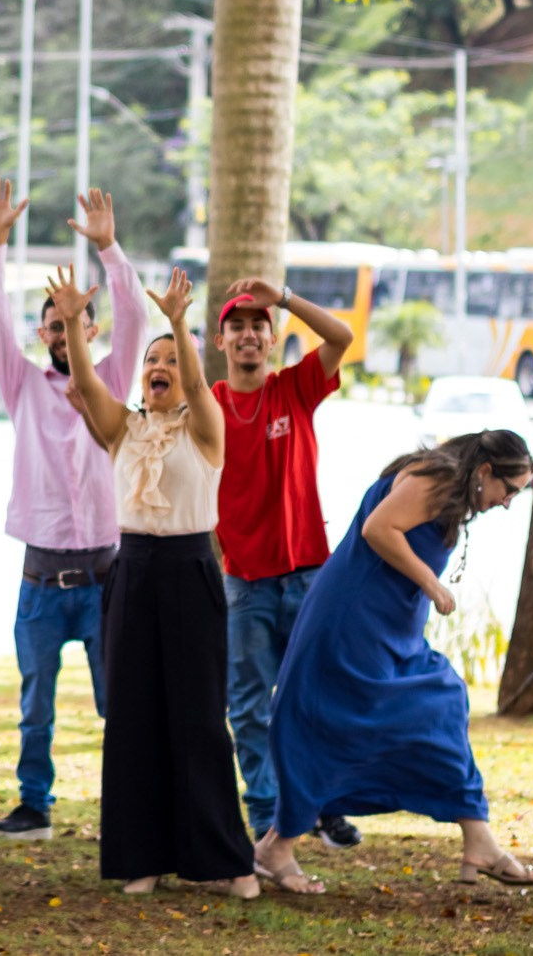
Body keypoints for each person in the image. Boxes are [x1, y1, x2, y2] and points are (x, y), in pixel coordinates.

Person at [258, 430, 533, 894]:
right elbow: (377, 528)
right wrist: (431, 583)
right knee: (338, 721)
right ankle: (276, 845)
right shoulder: (437, 477)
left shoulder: (454, 490)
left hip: (391, 628)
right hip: (352, 620)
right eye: (509, 490)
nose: (509, 502)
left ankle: (478, 838)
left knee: (442, 703)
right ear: (486, 471)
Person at [52, 265, 260, 899]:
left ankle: (227, 861)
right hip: (133, 572)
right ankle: (139, 858)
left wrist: (177, 322)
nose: (161, 367)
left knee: (199, 717)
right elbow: (85, 383)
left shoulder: (205, 427)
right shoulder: (125, 429)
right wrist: (69, 323)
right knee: (134, 717)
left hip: (192, 570)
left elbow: (199, 383)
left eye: (171, 360)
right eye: (153, 361)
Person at [0, 178, 143, 841]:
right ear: (43, 333)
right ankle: (34, 805)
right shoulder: (23, 386)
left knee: (118, 705)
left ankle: (127, 807)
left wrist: (109, 248)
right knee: (35, 707)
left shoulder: (115, 379)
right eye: (50, 323)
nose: (61, 331)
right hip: (41, 583)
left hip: (106, 578)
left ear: (88, 327)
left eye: (71, 320)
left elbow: (134, 316)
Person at [207, 278, 361, 848]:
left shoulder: (294, 390)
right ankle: (267, 821)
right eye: (237, 326)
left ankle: (322, 807)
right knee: (249, 708)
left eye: (257, 326)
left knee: (318, 697)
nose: (248, 334)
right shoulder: (211, 406)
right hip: (243, 584)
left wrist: (285, 298)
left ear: (271, 339)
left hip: (307, 575)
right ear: (220, 340)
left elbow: (343, 336)